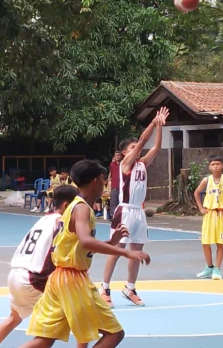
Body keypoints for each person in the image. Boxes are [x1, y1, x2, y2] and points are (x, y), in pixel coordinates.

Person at [20, 160, 150, 348]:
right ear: (96, 181)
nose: (106, 183)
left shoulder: (73, 206)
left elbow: (81, 246)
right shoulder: (81, 208)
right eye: (104, 179)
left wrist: (111, 243)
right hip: (72, 280)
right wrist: (127, 253)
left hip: (59, 278)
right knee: (114, 333)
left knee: (45, 340)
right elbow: (86, 241)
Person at [0, 184, 129, 348]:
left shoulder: (44, 218)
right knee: (77, 315)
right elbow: (73, 249)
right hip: (36, 279)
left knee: (14, 318)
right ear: (68, 206)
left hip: (16, 274)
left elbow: (75, 248)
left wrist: (109, 243)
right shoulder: (62, 222)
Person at [101, 107, 169, 308]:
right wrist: (153, 122)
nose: (136, 149)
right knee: (116, 249)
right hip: (125, 210)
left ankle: (130, 288)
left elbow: (155, 148)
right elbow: (141, 142)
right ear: (124, 152)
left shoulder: (141, 163)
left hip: (139, 213)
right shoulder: (126, 164)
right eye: (131, 148)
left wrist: (160, 127)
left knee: (136, 251)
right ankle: (104, 287)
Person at [194, 155, 223, 280]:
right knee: (205, 242)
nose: (215, 166)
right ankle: (209, 267)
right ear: (209, 167)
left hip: (221, 214)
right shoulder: (206, 180)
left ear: (222, 166)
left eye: (218, 164)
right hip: (209, 214)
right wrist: (200, 207)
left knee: (219, 243)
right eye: (213, 164)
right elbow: (196, 192)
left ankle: (217, 269)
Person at [108, 151, 123, 219]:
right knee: (113, 201)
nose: (117, 157)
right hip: (114, 185)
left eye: (119, 155)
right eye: (116, 155)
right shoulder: (112, 164)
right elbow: (110, 174)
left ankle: (121, 216)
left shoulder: (123, 164)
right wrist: (109, 186)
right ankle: (113, 216)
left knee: (121, 201)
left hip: (122, 186)